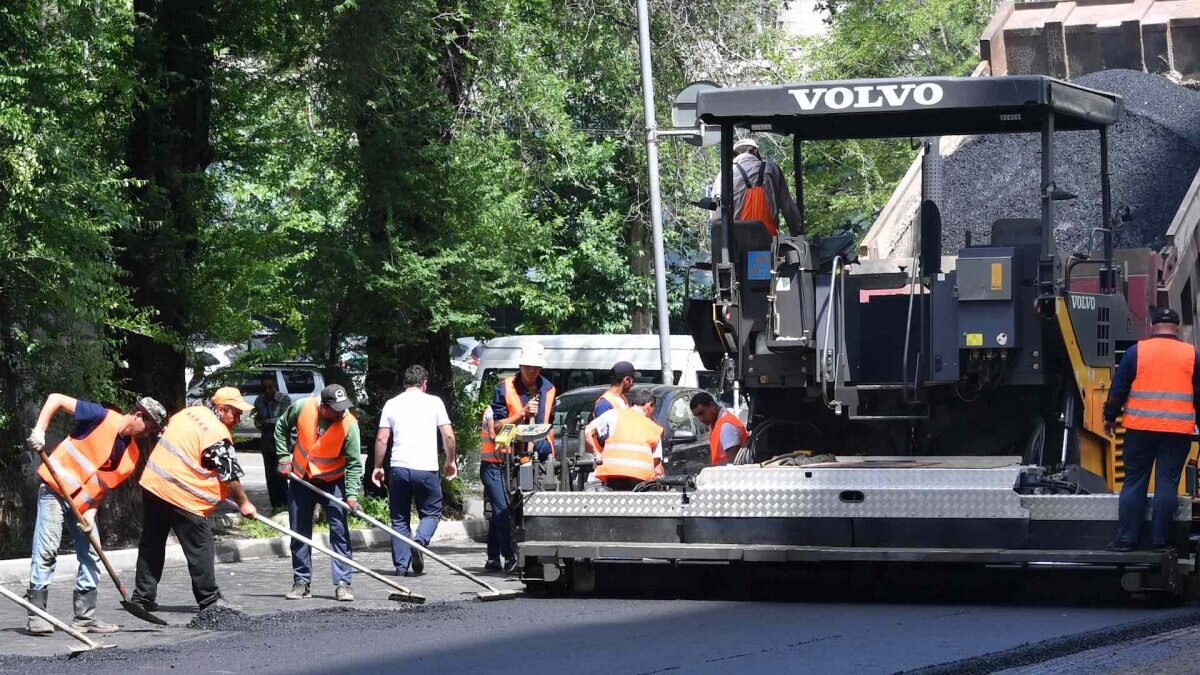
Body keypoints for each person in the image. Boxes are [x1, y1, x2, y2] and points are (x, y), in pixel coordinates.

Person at [23, 394, 166, 636]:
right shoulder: (99, 416)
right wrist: (39, 431)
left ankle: (85, 618)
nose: (148, 434)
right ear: (139, 415)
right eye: (150, 428)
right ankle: (37, 615)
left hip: (83, 506)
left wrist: (90, 514)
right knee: (46, 551)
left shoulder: (131, 456)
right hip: (54, 491)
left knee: (91, 557)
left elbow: (101, 487)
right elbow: (55, 399)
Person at [132, 387, 258, 613]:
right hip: (182, 496)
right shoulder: (216, 433)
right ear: (221, 409)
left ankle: (142, 598)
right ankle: (210, 601)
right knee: (201, 547)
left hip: (154, 486)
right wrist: (244, 503)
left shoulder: (187, 414)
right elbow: (229, 475)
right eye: (236, 413)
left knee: (152, 543)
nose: (238, 419)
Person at [1103, 307, 1200, 552]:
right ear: (1177, 328)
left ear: (1152, 326)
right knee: (1166, 484)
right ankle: (1159, 542)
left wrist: (1110, 417)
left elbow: (1118, 390)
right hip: (1178, 431)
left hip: (1140, 429)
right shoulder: (1192, 355)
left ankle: (1126, 540)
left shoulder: (1136, 352)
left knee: (1134, 482)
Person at [275, 385, 361, 602]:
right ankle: (301, 582)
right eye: (336, 409)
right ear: (324, 407)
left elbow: (353, 464)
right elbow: (281, 426)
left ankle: (343, 584)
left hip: (334, 481)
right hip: (301, 478)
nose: (341, 412)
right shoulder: (302, 407)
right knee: (299, 531)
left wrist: (351, 496)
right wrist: (284, 458)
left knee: (340, 532)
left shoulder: (349, 425)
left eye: (344, 408)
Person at [372, 365, 457, 577]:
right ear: (424, 384)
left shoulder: (392, 404)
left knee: (399, 518)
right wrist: (450, 461)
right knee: (432, 511)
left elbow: (382, 438)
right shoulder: (434, 402)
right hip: (426, 468)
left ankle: (401, 566)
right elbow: (448, 436)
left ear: (405, 383)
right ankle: (419, 541)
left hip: (399, 468)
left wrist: (378, 466)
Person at [711, 136, 803, 236]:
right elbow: (788, 207)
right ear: (755, 151)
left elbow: (716, 211)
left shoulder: (724, 174)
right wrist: (796, 233)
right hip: (767, 238)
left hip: (736, 239)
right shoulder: (772, 169)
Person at [584, 389, 664, 491]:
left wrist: (597, 454)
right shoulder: (654, 428)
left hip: (613, 475)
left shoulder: (613, 415)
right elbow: (656, 462)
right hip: (639, 481)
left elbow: (587, 431)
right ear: (649, 405)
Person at [491, 343, 557, 461]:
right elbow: (497, 427)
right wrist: (522, 413)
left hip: (543, 457)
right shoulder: (505, 388)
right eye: (528, 366)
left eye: (536, 366)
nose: (532, 370)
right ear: (520, 365)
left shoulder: (549, 389)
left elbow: (550, 426)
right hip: (513, 457)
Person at [478, 406, 514, 572]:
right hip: (492, 467)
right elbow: (493, 435)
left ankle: (493, 558)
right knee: (501, 510)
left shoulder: (512, 410)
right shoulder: (492, 411)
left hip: (504, 466)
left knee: (497, 513)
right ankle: (508, 556)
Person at [254, 376, 291, 511]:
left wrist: (268, 422)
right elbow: (257, 419)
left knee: (280, 472)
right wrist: (265, 423)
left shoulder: (283, 399)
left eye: (270, 387)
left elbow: (284, 419)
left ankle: (285, 503)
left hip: (280, 438)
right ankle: (275, 504)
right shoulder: (260, 400)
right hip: (266, 438)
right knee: (270, 475)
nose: (268, 391)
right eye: (265, 388)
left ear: (275, 387)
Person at [690, 392, 748, 467]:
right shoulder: (716, 423)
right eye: (697, 416)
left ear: (712, 405)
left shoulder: (726, 426)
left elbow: (734, 465)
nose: (700, 419)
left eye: (702, 413)